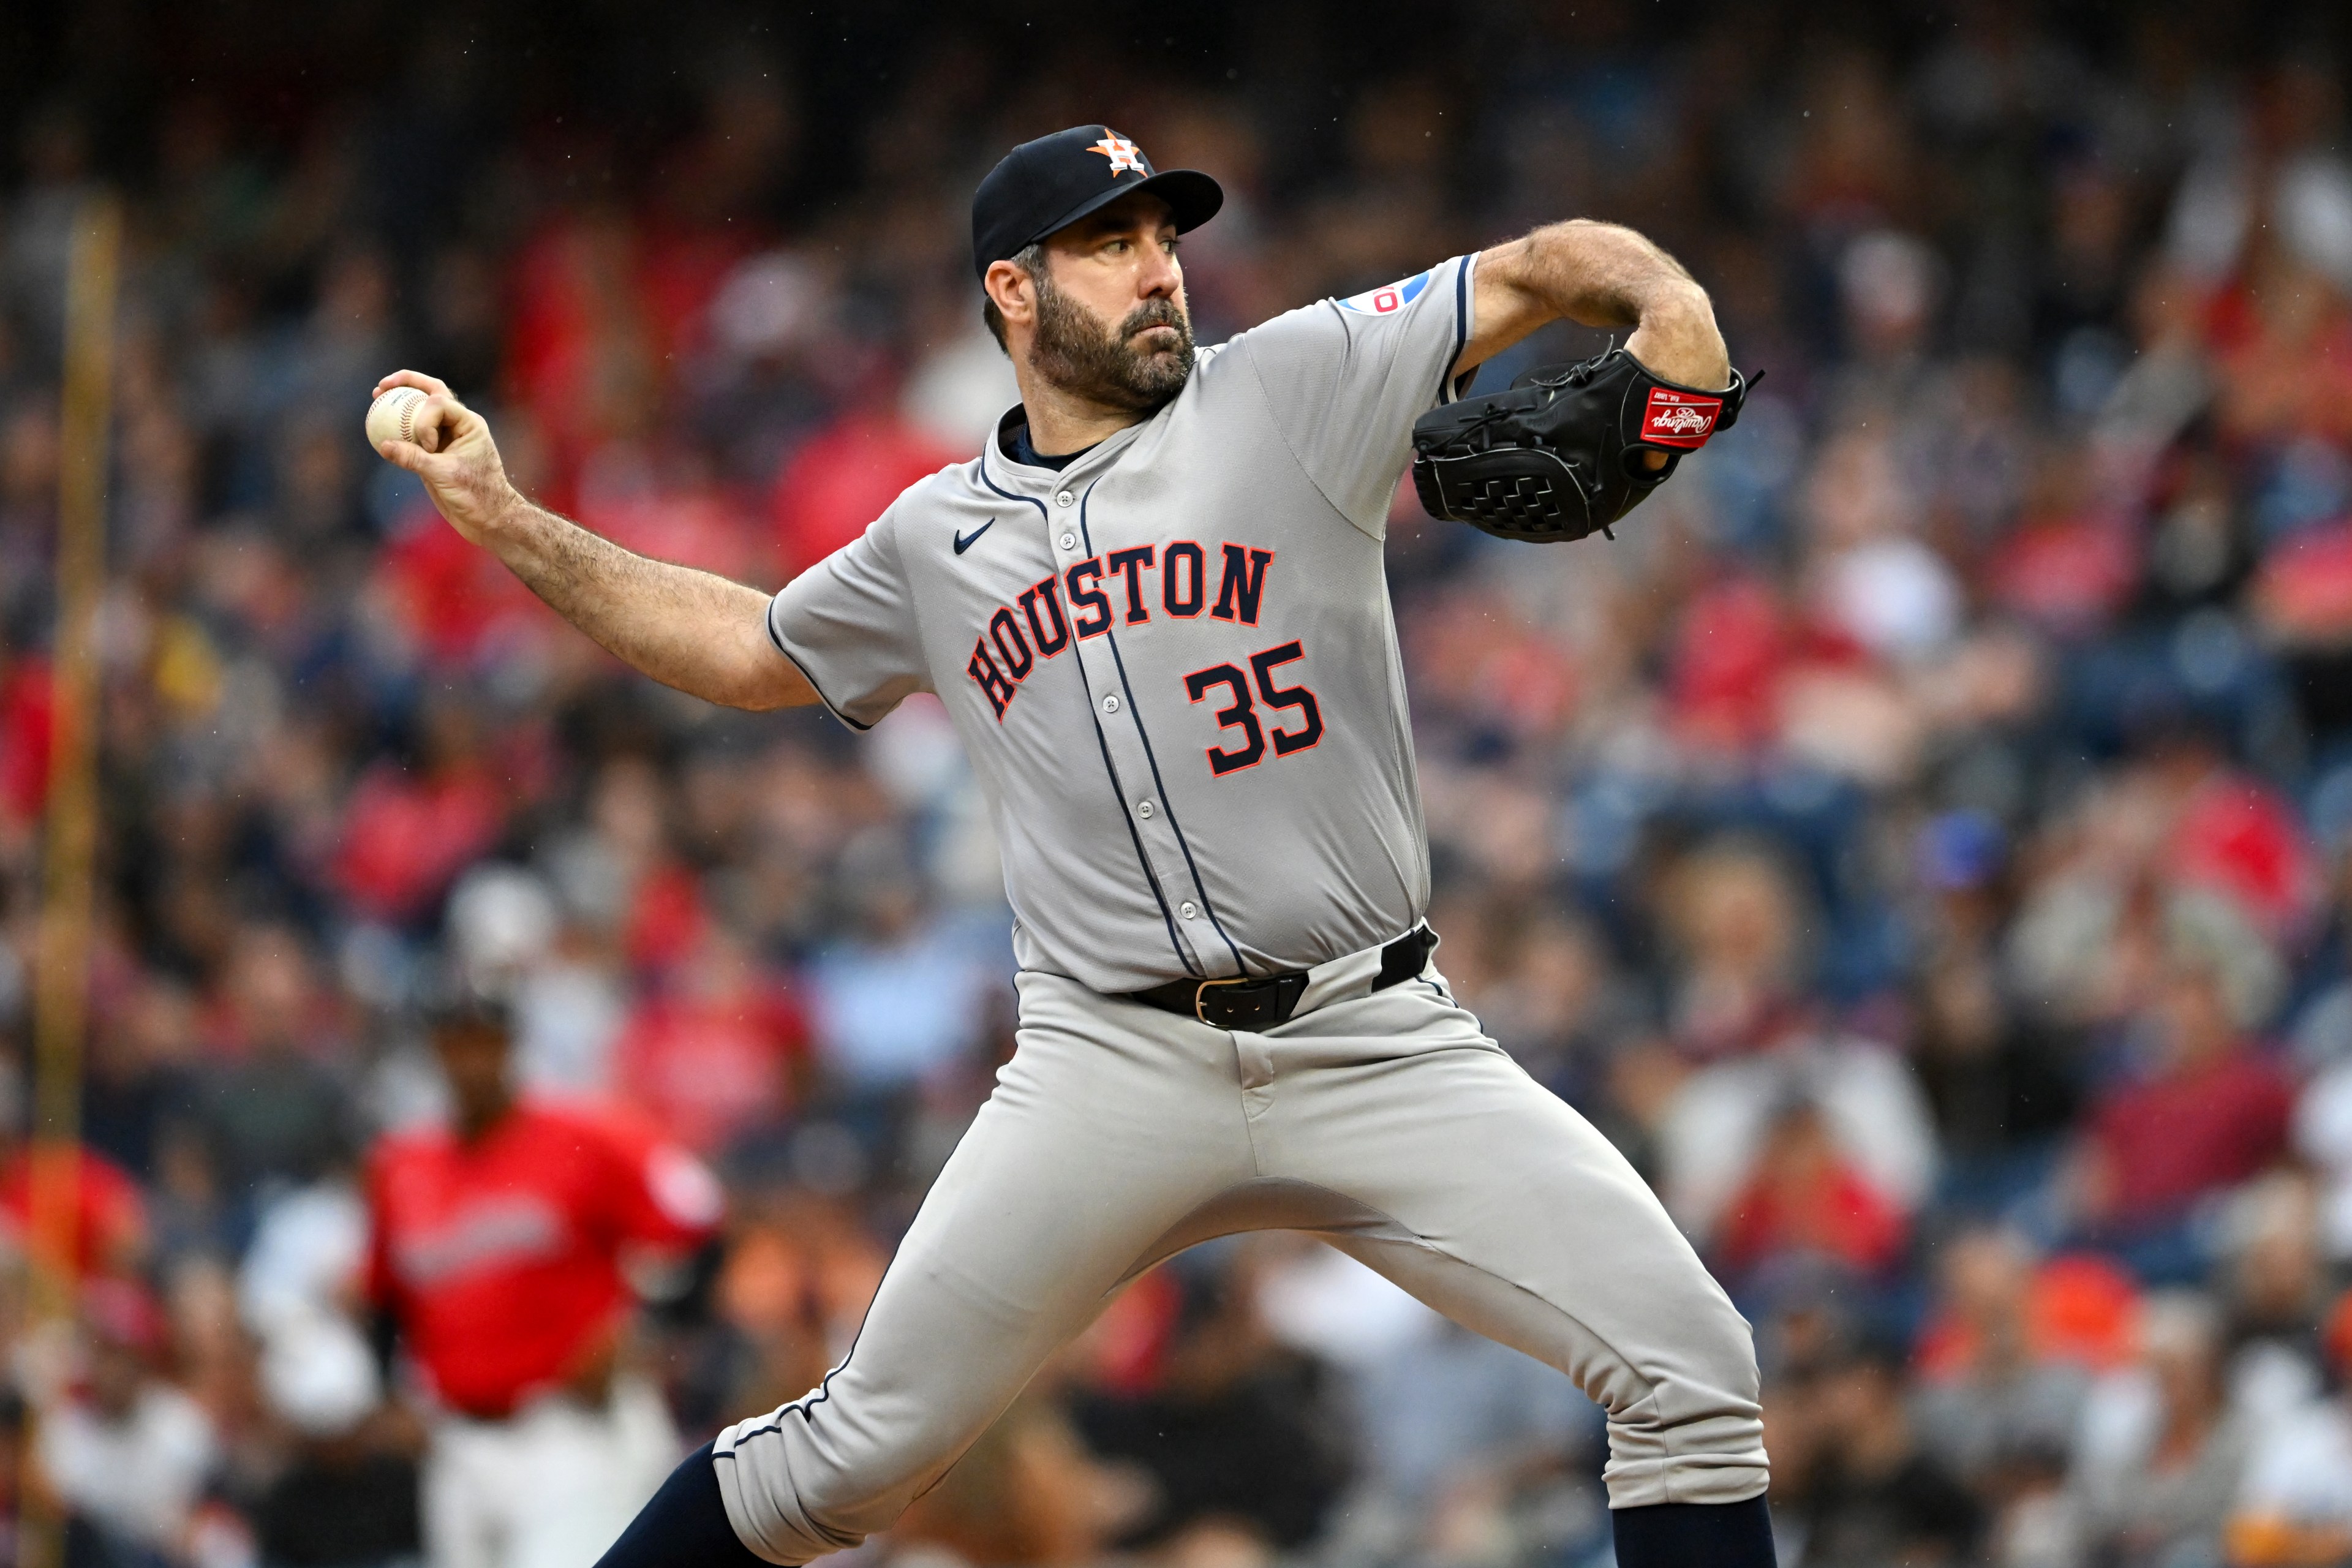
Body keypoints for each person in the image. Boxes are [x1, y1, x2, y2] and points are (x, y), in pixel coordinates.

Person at [373, 123, 1768, 1568]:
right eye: (1110, 246)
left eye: (1164, 239)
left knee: (1691, 1371)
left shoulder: (1296, 380)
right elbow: (745, 647)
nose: (1159, 272)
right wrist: (505, 516)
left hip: (1375, 1034)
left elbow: (1549, 266)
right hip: (1109, 1066)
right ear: (1013, 293)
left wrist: (1668, 309)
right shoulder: (935, 538)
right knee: (848, 1455)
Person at [364, 990, 725, 1568]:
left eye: (485, 1041)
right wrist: (388, 1396)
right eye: (456, 1043)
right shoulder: (403, 1164)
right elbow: (384, 1302)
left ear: (512, 1046)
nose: (472, 1061)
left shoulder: (586, 1134)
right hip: (457, 1445)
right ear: (434, 1052)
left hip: (570, 1431)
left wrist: (645, 1331)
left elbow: (704, 1229)